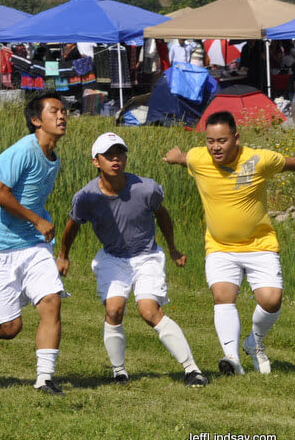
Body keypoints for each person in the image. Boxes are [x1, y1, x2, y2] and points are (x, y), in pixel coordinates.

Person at [57, 133, 208, 387]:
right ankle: (119, 373)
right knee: (114, 310)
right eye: (109, 155)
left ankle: (192, 370)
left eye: (120, 153)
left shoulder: (146, 188)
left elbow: (163, 215)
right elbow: (72, 226)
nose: (116, 159)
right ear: (96, 162)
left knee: (149, 311)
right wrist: (63, 255)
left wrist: (172, 249)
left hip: (147, 256)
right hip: (112, 259)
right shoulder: (86, 197)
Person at [163, 111, 295, 375]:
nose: (215, 147)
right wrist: (174, 157)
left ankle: (254, 343)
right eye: (210, 141)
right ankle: (231, 359)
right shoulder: (200, 158)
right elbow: (185, 157)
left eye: (221, 140)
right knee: (223, 296)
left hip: (260, 245)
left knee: (271, 300)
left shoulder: (259, 160)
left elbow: (290, 163)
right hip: (220, 247)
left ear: (236, 137)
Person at [0, 90, 68, 396]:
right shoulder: (23, 151)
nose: (62, 116)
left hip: (34, 245)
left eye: (64, 111)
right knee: (10, 329)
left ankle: (45, 378)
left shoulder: (53, 157)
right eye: (54, 111)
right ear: (36, 120)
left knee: (52, 302)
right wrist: (37, 220)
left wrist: (38, 226)